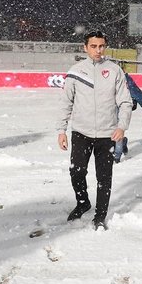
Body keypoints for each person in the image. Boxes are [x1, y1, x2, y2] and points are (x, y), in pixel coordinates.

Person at [56, 30, 132, 229]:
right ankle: (83, 202)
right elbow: (66, 102)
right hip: (81, 132)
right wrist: (61, 130)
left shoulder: (115, 70)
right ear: (85, 47)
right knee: (77, 172)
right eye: (93, 46)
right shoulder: (76, 71)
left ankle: (100, 215)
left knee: (104, 177)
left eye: (101, 46)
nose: (98, 50)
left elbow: (125, 102)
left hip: (107, 134)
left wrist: (122, 126)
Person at [114, 72, 142, 164]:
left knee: (118, 128)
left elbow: (138, 95)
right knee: (110, 131)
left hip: (124, 108)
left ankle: (116, 156)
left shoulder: (126, 80)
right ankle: (123, 143)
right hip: (109, 108)